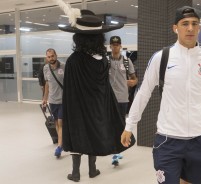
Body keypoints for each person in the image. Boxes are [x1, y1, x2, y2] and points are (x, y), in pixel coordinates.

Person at [121, 6, 201, 184]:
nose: (190, 28)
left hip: (199, 138)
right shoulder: (162, 57)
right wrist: (130, 125)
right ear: (175, 28)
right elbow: (143, 93)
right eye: (185, 24)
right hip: (168, 140)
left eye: (194, 24)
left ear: (199, 28)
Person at [54, 1, 135, 181]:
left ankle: (75, 173)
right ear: (99, 38)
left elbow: (69, 90)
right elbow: (104, 88)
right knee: (94, 135)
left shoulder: (74, 61)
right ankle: (92, 170)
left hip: (77, 109)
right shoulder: (103, 61)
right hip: (97, 108)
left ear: (78, 38)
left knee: (78, 136)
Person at [108, 36, 138, 166]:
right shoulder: (105, 61)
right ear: (110, 46)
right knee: (109, 124)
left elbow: (134, 78)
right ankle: (111, 147)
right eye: (113, 45)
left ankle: (117, 150)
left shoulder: (126, 61)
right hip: (109, 99)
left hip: (122, 99)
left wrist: (133, 82)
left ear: (120, 46)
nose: (115, 47)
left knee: (120, 124)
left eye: (117, 45)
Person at [42, 48, 64, 158]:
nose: (51, 58)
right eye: (49, 57)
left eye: (52, 56)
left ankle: (60, 146)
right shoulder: (46, 68)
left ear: (56, 55)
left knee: (60, 122)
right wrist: (45, 99)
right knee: (56, 123)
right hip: (53, 101)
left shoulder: (64, 67)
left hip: (63, 101)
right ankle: (61, 141)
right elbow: (47, 84)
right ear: (47, 58)